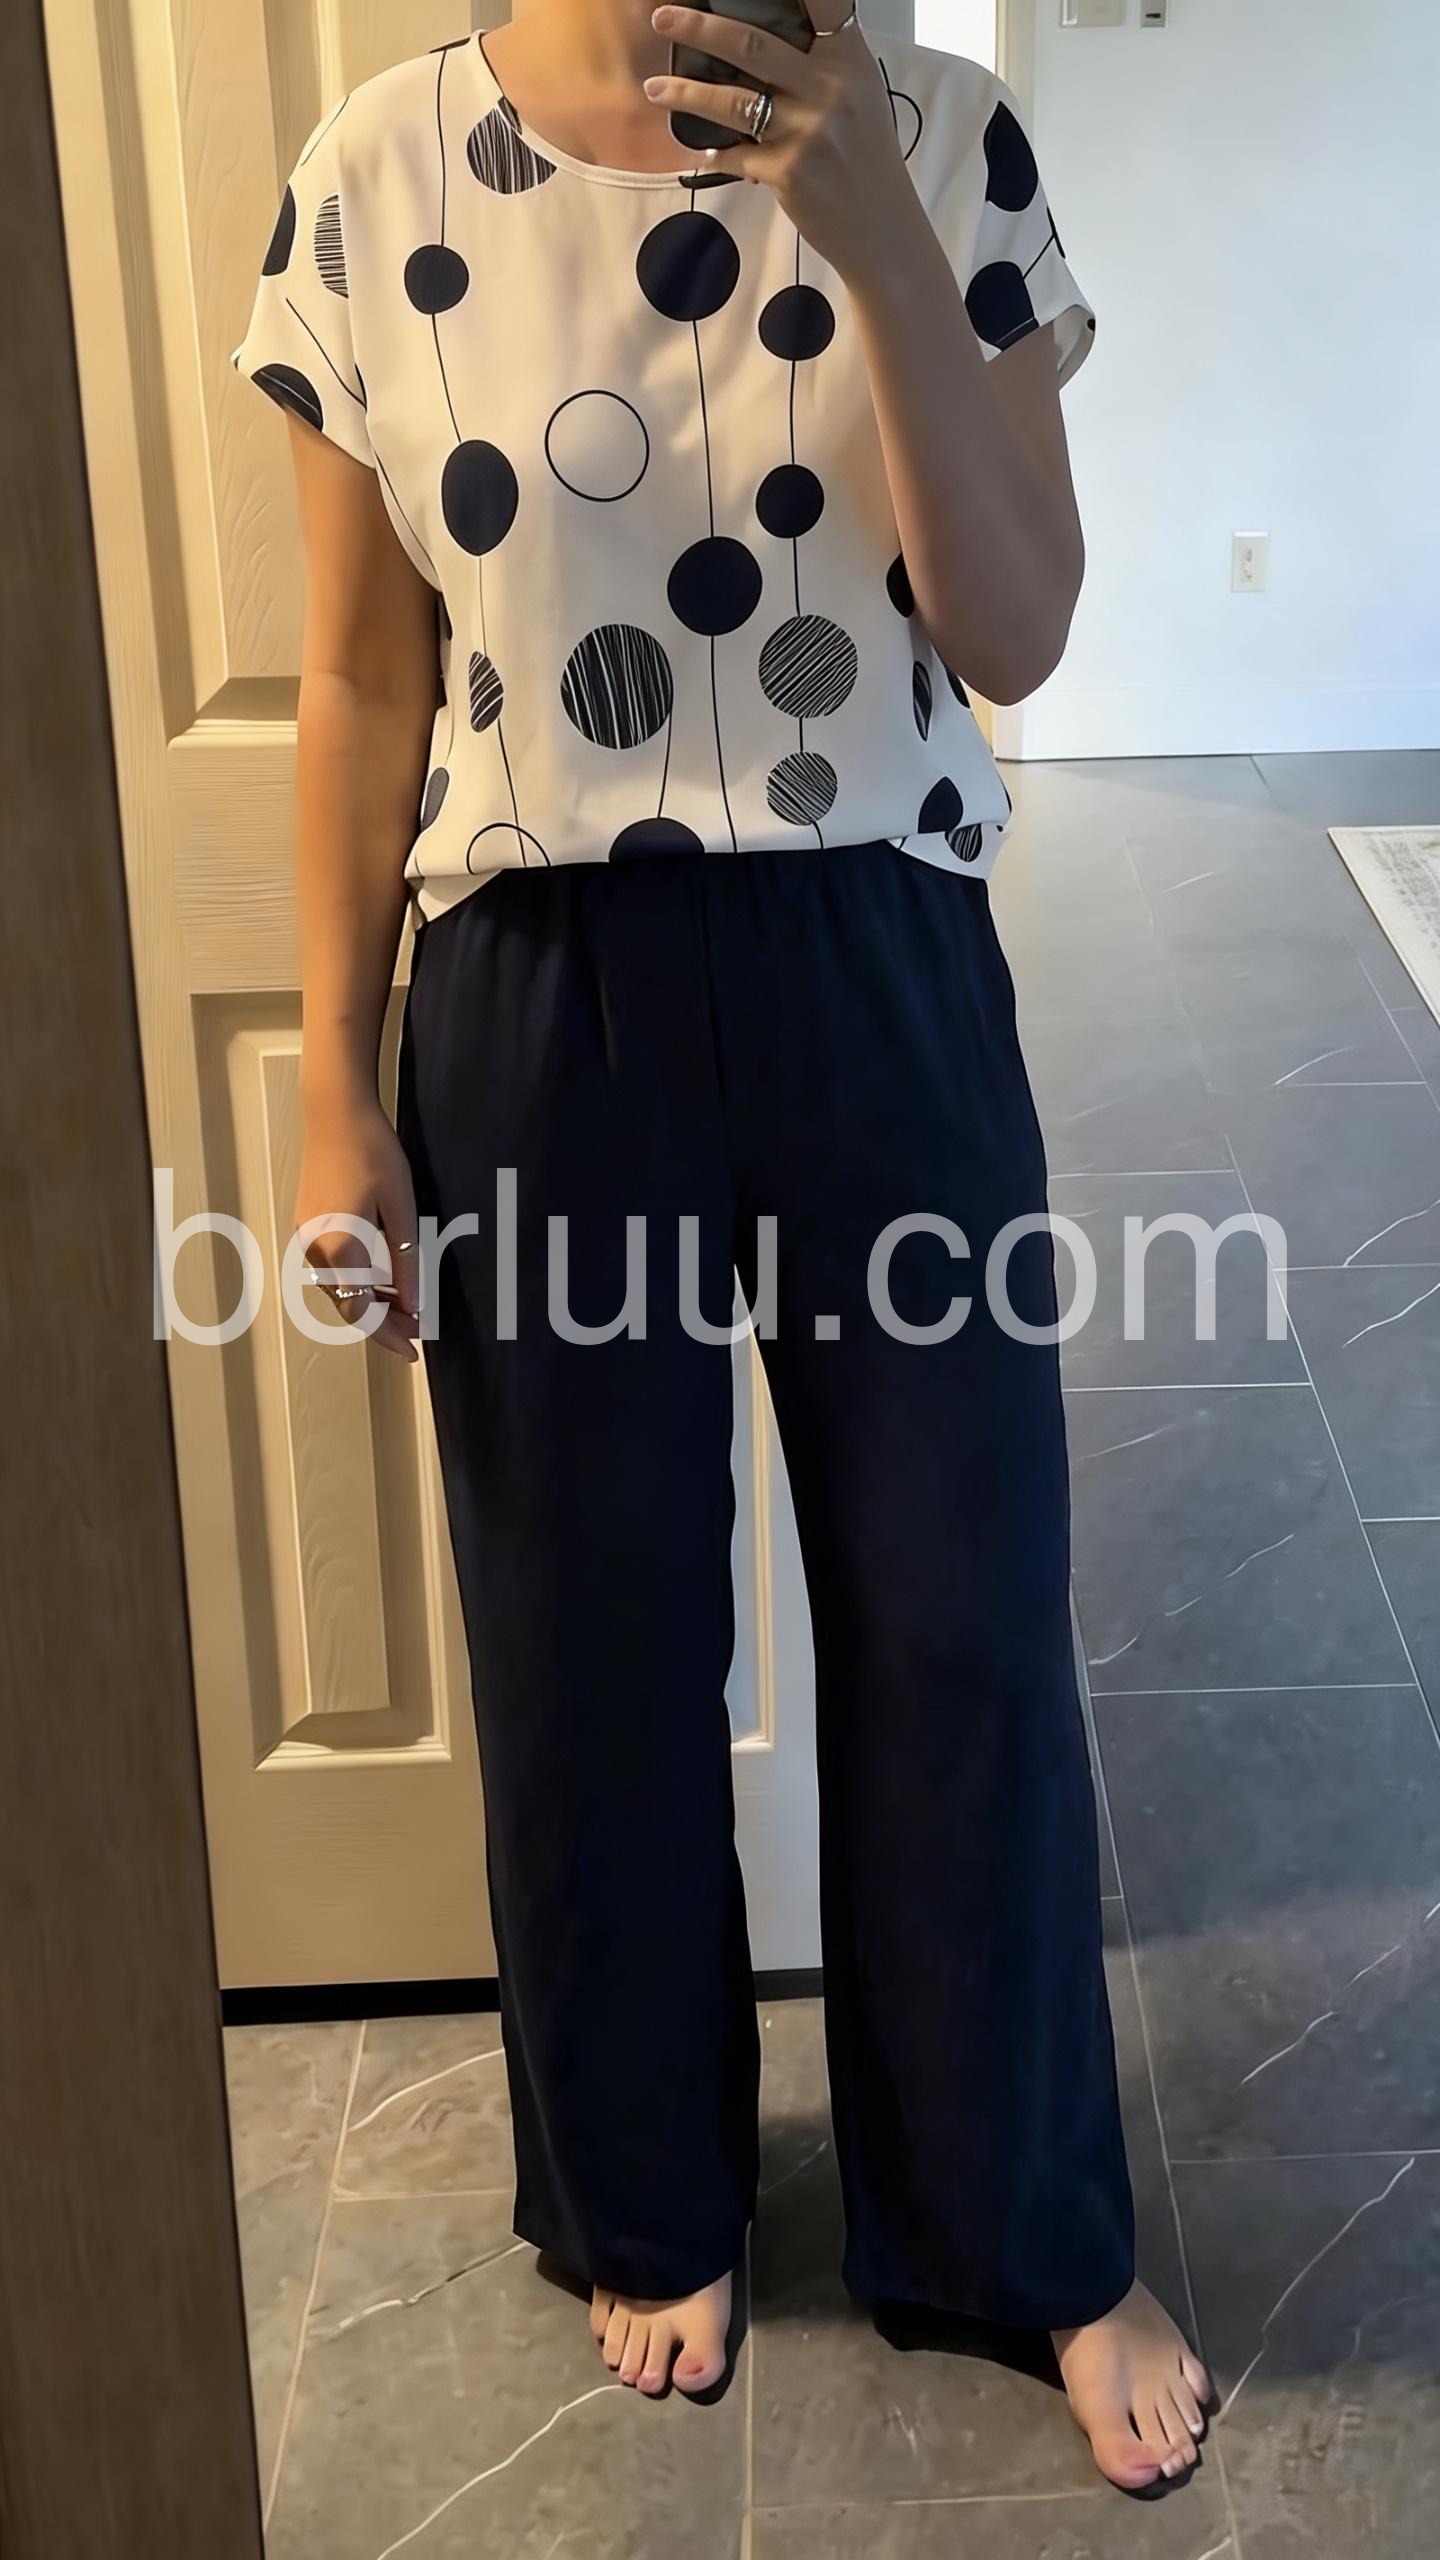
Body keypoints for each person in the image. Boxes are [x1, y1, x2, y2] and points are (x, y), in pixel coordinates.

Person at [233, 0, 1211, 2490]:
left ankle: (1013, 2214)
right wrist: (334, 1083)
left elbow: (1015, 635)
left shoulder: (949, 144)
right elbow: (357, 671)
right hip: (536, 988)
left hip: (879, 956)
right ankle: (644, 2185)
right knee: (588, 1633)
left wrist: (869, 224)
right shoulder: (378, 174)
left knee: (964, 1608)